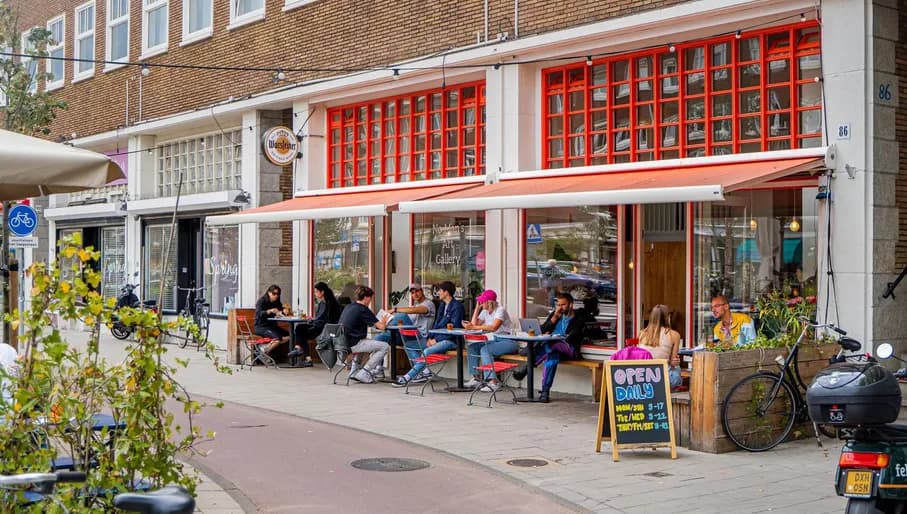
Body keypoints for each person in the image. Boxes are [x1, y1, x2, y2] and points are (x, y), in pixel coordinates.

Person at [512, 293, 585, 403]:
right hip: (553, 349)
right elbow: (540, 330)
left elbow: (573, 336)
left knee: (551, 344)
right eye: (558, 304)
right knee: (552, 358)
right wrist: (554, 319)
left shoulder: (578, 318)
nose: (560, 307)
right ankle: (545, 393)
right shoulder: (555, 315)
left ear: (571, 305)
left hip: (569, 349)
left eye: (563, 305)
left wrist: (558, 337)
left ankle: (527, 368)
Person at [463, 289, 515, 392]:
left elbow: (493, 327)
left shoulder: (500, 310)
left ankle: (493, 382)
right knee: (472, 347)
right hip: (495, 340)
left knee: (485, 350)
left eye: (482, 301)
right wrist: (476, 309)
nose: (481, 303)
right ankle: (476, 378)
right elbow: (474, 324)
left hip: (509, 341)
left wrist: (473, 328)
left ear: (489, 302)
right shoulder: (485, 311)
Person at [338, 285, 391, 383]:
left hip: (342, 342)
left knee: (365, 342)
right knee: (385, 346)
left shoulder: (349, 306)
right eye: (370, 298)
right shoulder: (363, 309)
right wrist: (384, 319)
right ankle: (364, 372)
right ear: (366, 297)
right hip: (353, 344)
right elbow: (382, 327)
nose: (370, 301)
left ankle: (354, 372)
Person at [287, 282, 341, 367]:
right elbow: (319, 318)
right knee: (300, 328)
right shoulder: (321, 303)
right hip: (318, 326)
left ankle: (301, 352)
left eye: (316, 291)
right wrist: (311, 320)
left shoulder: (330, 304)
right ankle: (302, 353)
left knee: (301, 332)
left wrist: (313, 321)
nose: (314, 294)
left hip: (325, 329)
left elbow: (327, 320)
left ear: (322, 292)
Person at [637, 304, 682, 388]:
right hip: (663, 379)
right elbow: (673, 362)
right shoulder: (674, 335)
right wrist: (676, 362)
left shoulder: (642, 334)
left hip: (643, 379)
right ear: (668, 317)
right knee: (677, 368)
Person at [254, 285, 290, 355]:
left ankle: (265, 347)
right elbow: (258, 314)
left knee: (292, 335)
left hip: (273, 326)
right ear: (269, 293)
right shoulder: (262, 301)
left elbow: (280, 312)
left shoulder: (277, 302)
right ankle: (263, 353)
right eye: (274, 293)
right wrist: (269, 311)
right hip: (261, 327)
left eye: (278, 294)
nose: (276, 296)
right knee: (278, 338)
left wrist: (284, 311)